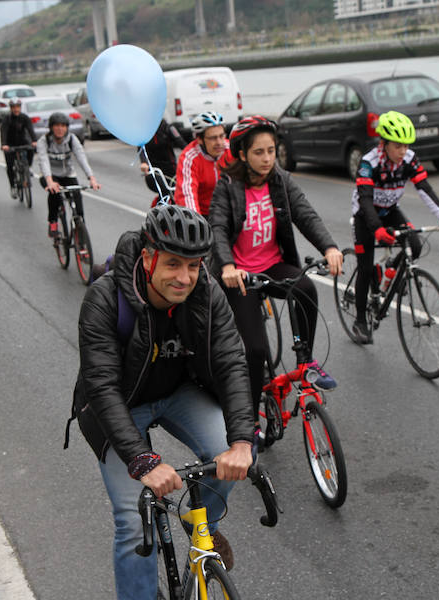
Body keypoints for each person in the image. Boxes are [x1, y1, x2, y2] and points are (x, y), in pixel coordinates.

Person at [73, 204, 254, 600]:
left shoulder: (206, 291)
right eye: (173, 264)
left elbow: (231, 362)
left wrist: (242, 441)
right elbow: (102, 387)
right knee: (134, 522)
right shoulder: (104, 298)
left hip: (177, 391)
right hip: (119, 404)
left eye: (193, 265)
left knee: (231, 449)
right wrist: (143, 461)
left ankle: (198, 518)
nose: (185, 277)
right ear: (147, 256)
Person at [210, 116, 343, 437]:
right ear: (242, 154)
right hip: (240, 275)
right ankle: (250, 421)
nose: (268, 158)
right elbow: (217, 229)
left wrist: (329, 247)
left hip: (273, 265)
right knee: (255, 351)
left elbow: (305, 213)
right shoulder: (227, 186)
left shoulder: (280, 181)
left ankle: (307, 361)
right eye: (259, 152)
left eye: (271, 150)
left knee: (307, 288)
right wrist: (227, 266)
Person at [349, 110, 439, 344]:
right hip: (365, 215)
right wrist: (377, 229)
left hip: (390, 210)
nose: (403, 151)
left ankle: (391, 270)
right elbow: (366, 200)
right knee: (366, 267)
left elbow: (425, 189)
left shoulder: (409, 159)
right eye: (398, 146)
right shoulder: (369, 163)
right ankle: (360, 321)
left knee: (415, 246)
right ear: (385, 143)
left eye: (406, 145)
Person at [37, 112, 101, 237]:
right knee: (54, 193)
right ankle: (53, 222)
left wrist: (92, 178)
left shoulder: (72, 139)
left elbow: (81, 158)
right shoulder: (44, 141)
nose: (60, 129)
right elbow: (44, 161)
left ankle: (80, 227)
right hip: (50, 175)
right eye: (57, 126)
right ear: (51, 127)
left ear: (67, 128)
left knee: (77, 197)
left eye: (63, 126)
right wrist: (50, 182)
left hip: (68, 174)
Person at [174, 111, 227, 217]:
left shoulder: (230, 150)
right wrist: (198, 223)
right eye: (213, 138)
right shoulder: (189, 157)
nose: (219, 142)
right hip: (203, 214)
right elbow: (187, 196)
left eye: (222, 136)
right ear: (199, 139)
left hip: (226, 213)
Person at [138, 118, 186, 205]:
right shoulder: (144, 130)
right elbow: (141, 149)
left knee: (179, 194)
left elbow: (181, 143)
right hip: (153, 171)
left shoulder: (168, 127)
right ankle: (159, 213)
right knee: (164, 192)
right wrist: (144, 163)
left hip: (170, 169)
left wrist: (191, 155)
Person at [0, 97, 37, 198]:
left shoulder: (24, 117)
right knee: (10, 166)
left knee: (31, 150)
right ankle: (13, 187)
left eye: (18, 107)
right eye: (13, 107)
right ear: (10, 108)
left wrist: (34, 141)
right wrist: (4, 144)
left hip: (22, 141)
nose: (16, 109)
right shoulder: (7, 119)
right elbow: (4, 132)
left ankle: (28, 167)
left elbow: (30, 129)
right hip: (10, 144)